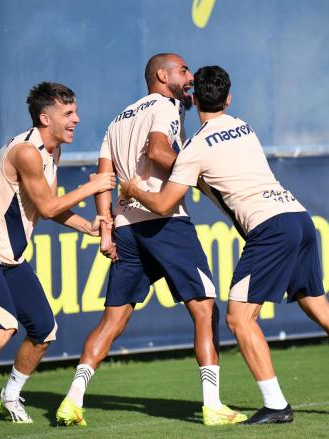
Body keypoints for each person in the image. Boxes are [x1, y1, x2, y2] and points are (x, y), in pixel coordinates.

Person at [121, 65, 329, 425]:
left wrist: (133, 188)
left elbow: (163, 203)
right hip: (298, 216)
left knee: (238, 318)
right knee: (319, 306)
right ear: (229, 98)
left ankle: (276, 405)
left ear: (193, 98)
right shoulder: (244, 126)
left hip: (270, 228)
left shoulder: (194, 149)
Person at [55, 54, 246, 427]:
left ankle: (72, 399)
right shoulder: (164, 105)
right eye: (183, 70)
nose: (190, 77)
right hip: (164, 221)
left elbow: (103, 178)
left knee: (113, 320)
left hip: (126, 226)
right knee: (204, 308)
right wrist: (199, 172)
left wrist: (107, 227)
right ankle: (212, 405)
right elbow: (159, 151)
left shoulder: (116, 120)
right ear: (162, 76)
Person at [0, 82, 116, 434]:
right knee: (3, 325)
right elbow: (48, 205)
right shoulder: (27, 152)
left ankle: (10, 395)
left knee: (45, 331)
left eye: (75, 111)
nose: (77, 119)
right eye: (68, 113)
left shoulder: (52, 149)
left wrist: (87, 227)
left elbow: (45, 206)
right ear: (45, 118)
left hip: (9, 257)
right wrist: (93, 186)